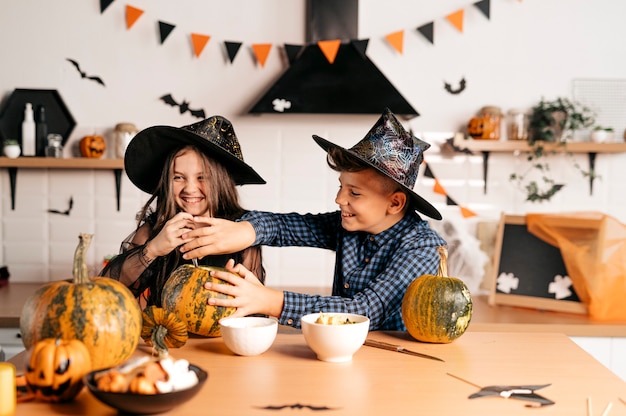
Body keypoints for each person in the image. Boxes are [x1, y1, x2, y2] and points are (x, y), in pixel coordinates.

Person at [180, 108, 446, 331]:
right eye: (341, 186)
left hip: (397, 361)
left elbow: (364, 311)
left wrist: (269, 301)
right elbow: (285, 227)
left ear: (395, 203)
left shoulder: (422, 248)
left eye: (354, 193)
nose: (340, 199)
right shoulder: (350, 226)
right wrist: (248, 230)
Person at [100, 115, 266, 308]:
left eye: (202, 177)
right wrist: (153, 249)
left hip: (223, 336)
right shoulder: (152, 231)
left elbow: (254, 307)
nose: (190, 188)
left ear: (220, 181)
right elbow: (108, 291)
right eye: (178, 177)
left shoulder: (241, 231)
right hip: (165, 334)